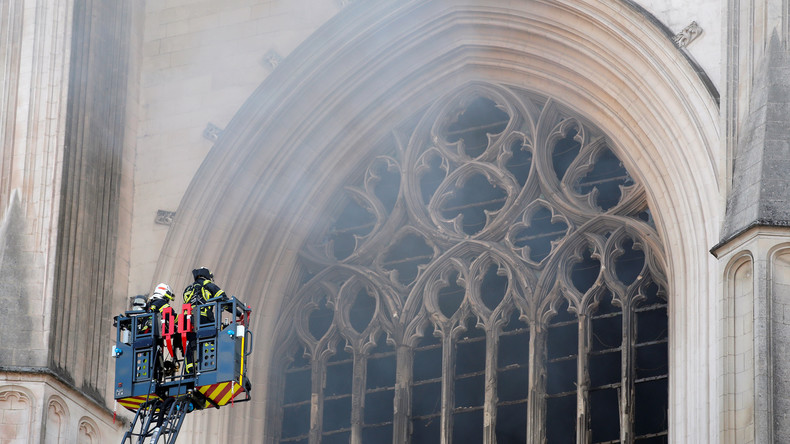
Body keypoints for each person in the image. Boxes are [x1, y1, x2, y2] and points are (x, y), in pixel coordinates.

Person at [182, 267, 227, 374]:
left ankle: (190, 371)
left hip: (187, 321)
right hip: (204, 319)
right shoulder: (208, 285)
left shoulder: (188, 289)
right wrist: (239, 313)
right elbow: (224, 299)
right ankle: (206, 367)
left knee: (191, 344)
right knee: (208, 342)